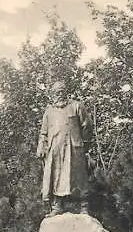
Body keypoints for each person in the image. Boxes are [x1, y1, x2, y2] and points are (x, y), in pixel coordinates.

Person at [36, 81, 93, 217]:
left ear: (66, 92)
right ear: (52, 94)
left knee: (79, 177)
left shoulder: (76, 106)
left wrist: (83, 144)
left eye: (62, 91)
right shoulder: (49, 111)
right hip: (55, 150)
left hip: (74, 148)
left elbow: (87, 126)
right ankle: (57, 206)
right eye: (57, 92)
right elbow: (43, 133)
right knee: (55, 177)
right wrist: (41, 146)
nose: (60, 94)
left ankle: (84, 206)